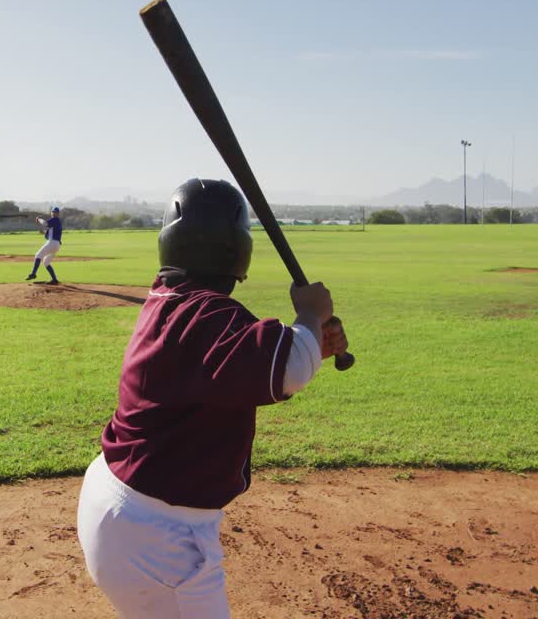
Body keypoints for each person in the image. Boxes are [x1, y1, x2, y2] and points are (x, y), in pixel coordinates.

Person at [76, 178, 349, 617]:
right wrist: (311, 315)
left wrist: (312, 339)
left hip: (128, 507)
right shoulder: (206, 313)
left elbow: (251, 367)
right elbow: (288, 370)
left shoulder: (174, 301)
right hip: (157, 533)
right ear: (237, 251)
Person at [26, 207, 63, 285]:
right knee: (46, 262)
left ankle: (33, 274)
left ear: (58, 213)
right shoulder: (56, 222)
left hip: (52, 243)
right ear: (51, 212)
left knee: (38, 255)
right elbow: (49, 231)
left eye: (55, 212)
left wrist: (38, 219)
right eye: (53, 212)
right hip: (56, 245)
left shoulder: (55, 219)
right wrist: (43, 232)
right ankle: (54, 280)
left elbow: (45, 223)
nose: (54, 213)